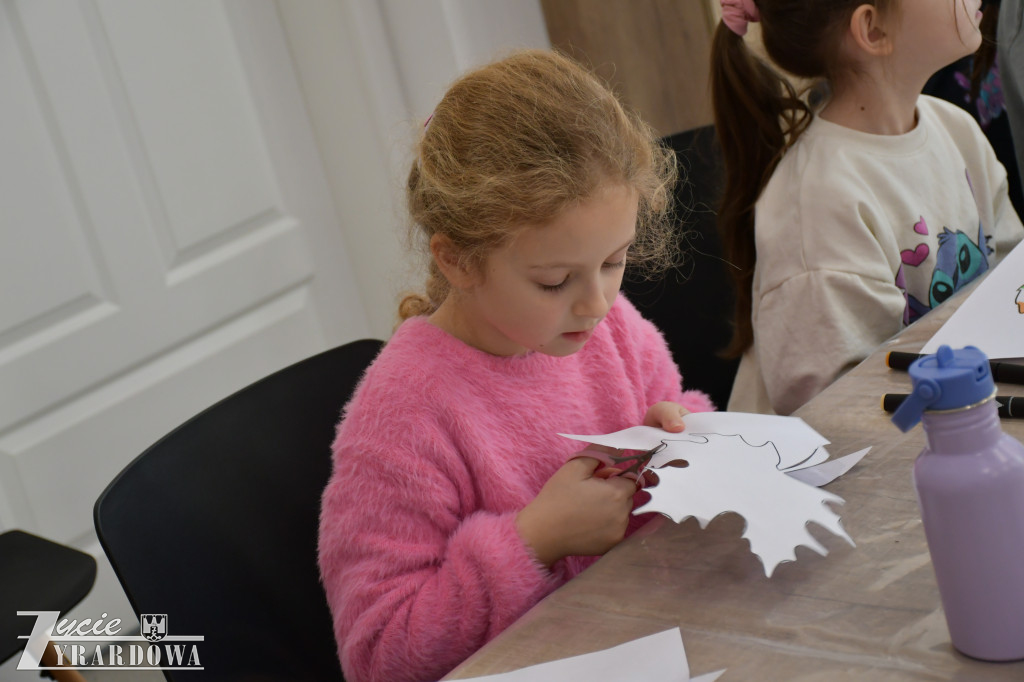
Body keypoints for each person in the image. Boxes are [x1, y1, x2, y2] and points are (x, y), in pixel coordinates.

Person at [317, 49, 714, 682]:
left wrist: (683, 436)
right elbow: (379, 655)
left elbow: (671, 416)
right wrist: (534, 541)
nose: (597, 302)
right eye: (555, 280)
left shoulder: (609, 327)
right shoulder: (405, 413)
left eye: (615, 262)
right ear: (459, 261)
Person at [712, 0, 1024, 415]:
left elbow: (1011, 290)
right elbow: (839, 418)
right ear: (872, 30)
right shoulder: (819, 203)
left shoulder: (955, 127)